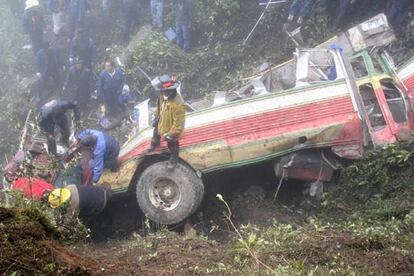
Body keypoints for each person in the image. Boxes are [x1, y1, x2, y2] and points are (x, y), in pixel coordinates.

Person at [147, 75, 186, 169]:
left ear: (169, 89)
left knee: (172, 145)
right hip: (161, 120)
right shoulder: (162, 95)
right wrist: (156, 116)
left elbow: (179, 123)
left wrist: (171, 134)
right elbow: (159, 106)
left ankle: (174, 159)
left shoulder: (178, 103)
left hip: (170, 127)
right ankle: (155, 143)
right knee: (155, 133)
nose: (160, 91)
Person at [48, 183, 112, 218]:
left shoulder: (71, 207)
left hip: (98, 203)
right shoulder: (70, 187)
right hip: (98, 191)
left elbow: (65, 223)